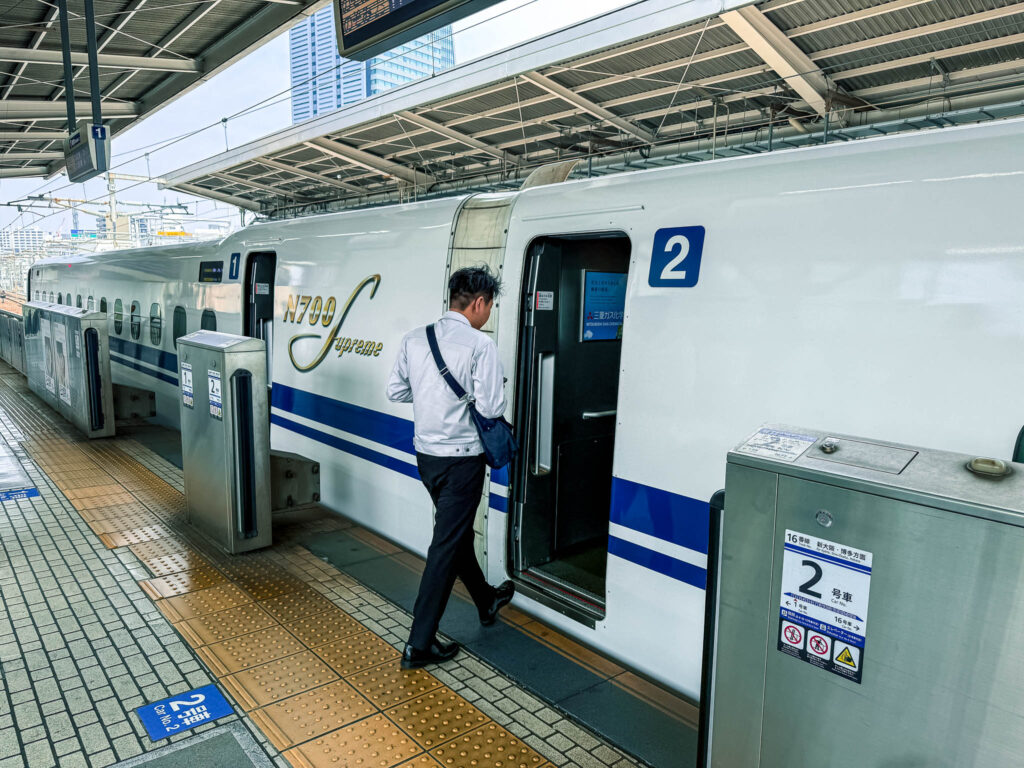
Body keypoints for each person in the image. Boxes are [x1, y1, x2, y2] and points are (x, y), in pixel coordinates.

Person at [387, 266, 515, 669]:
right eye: (489, 306)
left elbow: (396, 390)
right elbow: (492, 408)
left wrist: (431, 397)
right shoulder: (480, 346)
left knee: (452, 532)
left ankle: (486, 600)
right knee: (445, 546)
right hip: (462, 461)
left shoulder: (415, 338)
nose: (488, 314)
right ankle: (418, 645)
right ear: (478, 302)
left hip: (427, 456)